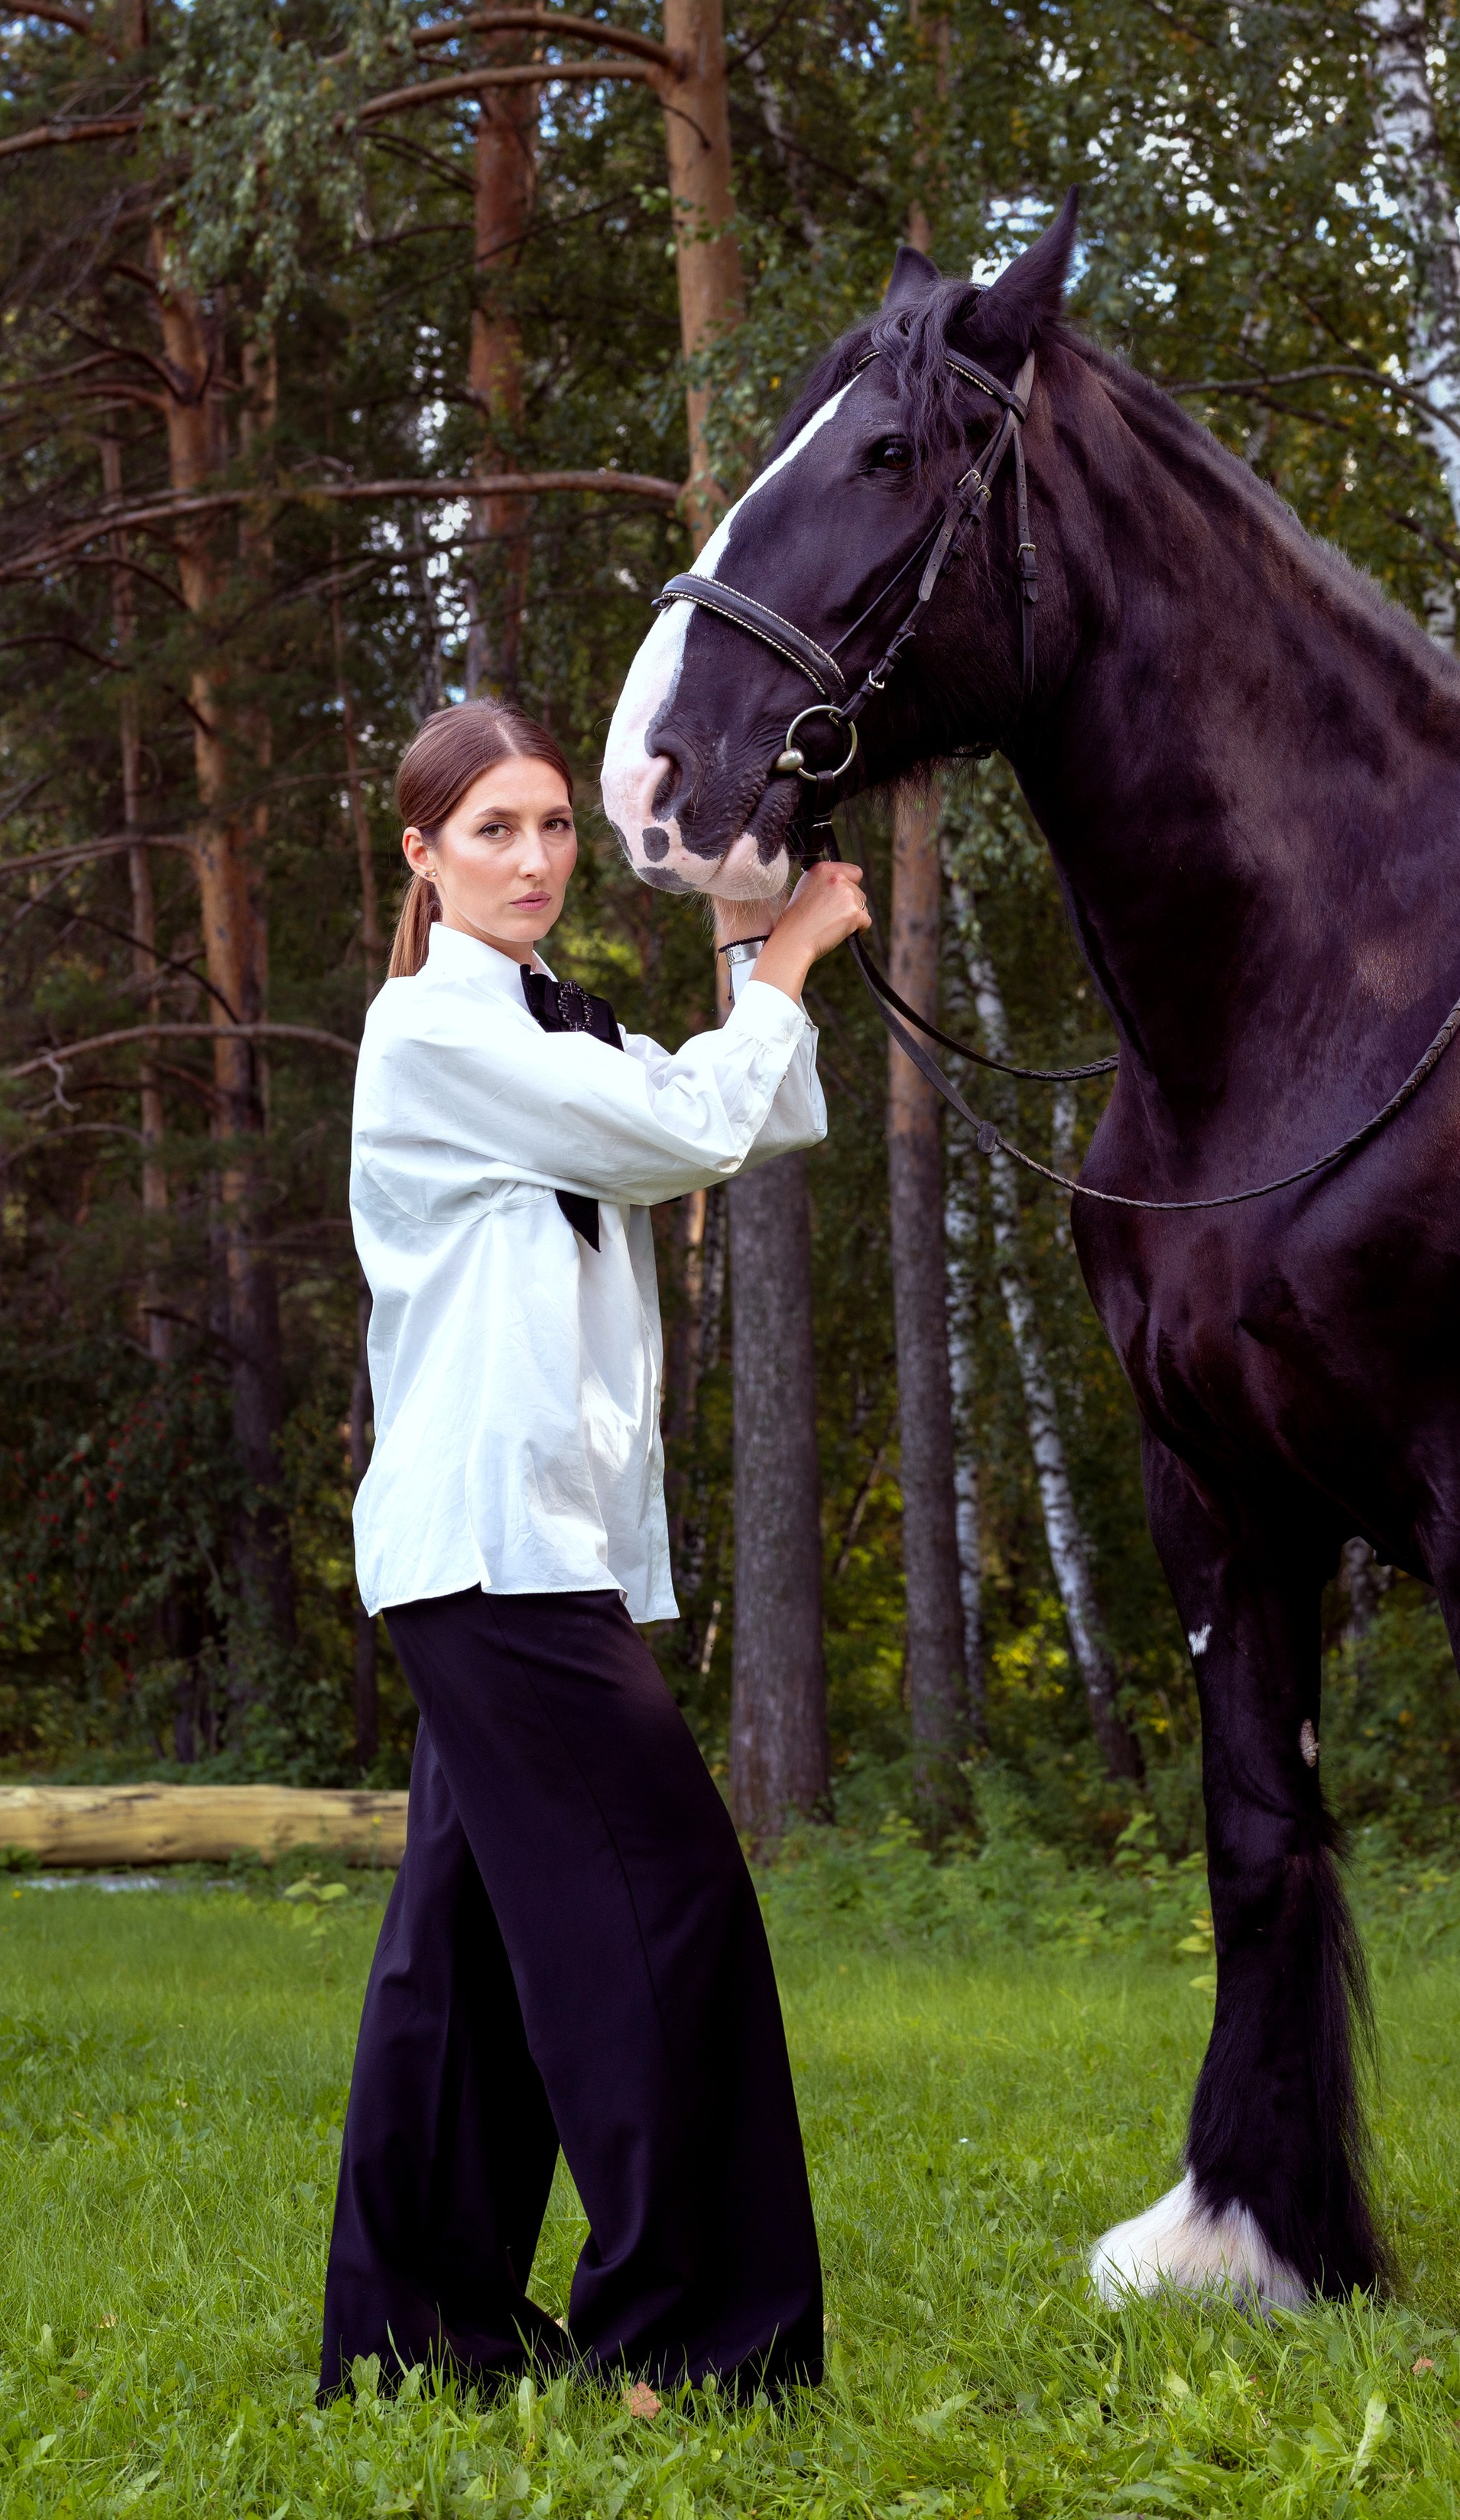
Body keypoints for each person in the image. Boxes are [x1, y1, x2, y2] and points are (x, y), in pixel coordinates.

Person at [317, 698, 869, 2403]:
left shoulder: (555, 1026)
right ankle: (690, 2343)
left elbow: (751, 1116)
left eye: (554, 824)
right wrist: (791, 958)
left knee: (467, 1958)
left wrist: (747, 946)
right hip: (500, 1554)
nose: (535, 859)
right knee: (666, 1910)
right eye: (493, 829)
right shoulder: (434, 1032)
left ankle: (417, 2338)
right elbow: (690, 1130)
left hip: (515, 1552)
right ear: (421, 854)